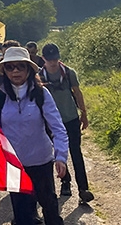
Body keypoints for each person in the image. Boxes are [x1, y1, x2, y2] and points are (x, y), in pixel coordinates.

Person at [0, 48, 70, 225]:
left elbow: (57, 128)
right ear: (4, 70)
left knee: (49, 206)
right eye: (11, 67)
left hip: (42, 160)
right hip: (15, 165)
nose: (15, 71)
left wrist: (61, 157)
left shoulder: (41, 94)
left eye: (20, 66)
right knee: (23, 213)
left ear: (28, 69)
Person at [39, 44, 95, 206]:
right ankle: (65, 182)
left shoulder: (69, 73)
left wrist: (84, 114)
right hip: (51, 123)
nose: (53, 62)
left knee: (76, 152)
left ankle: (83, 189)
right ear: (44, 59)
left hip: (71, 118)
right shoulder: (39, 77)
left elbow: (77, 93)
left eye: (55, 59)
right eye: (50, 60)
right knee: (57, 154)